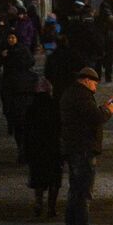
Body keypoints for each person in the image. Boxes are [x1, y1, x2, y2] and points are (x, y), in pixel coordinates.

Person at [59, 67, 113, 225]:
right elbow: (94, 117)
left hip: (76, 147)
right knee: (82, 193)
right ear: (85, 80)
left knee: (77, 192)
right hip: (83, 149)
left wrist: (102, 108)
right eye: (94, 83)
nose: (96, 87)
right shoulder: (81, 96)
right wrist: (108, 111)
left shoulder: (74, 94)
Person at [25, 78, 64, 217]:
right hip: (53, 146)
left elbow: (26, 128)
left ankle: (39, 203)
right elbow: (61, 126)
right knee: (54, 178)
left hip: (37, 147)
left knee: (38, 177)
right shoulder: (55, 106)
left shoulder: (31, 107)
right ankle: (51, 207)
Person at [0, 32, 38, 162]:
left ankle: (23, 151)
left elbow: (5, 94)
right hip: (25, 106)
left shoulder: (10, 76)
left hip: (18, 106)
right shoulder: (31, 77)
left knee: (20, 131)